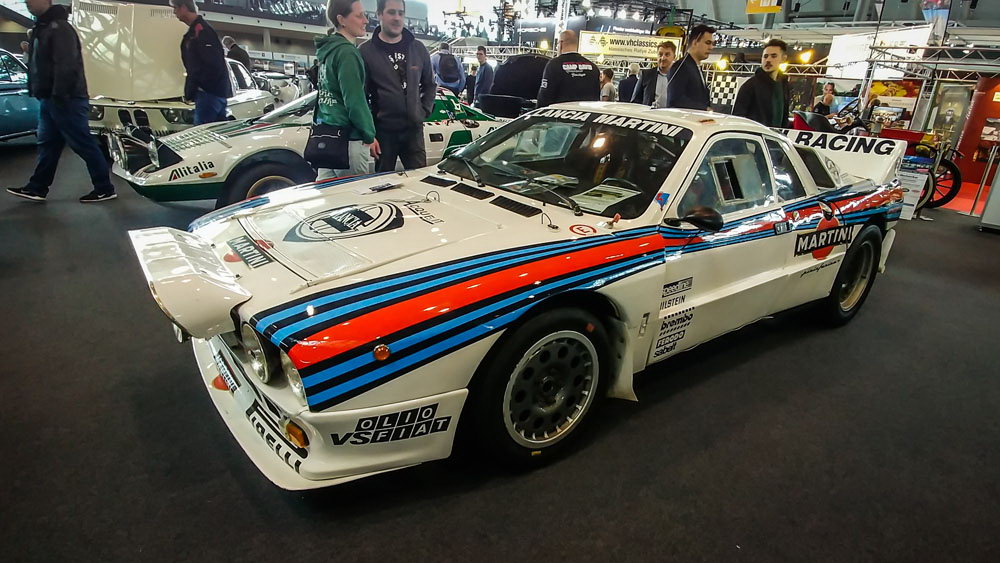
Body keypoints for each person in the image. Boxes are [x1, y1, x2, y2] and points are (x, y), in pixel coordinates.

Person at [5, 0, 116, 203]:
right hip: (51, 98)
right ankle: (37, 187)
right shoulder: (43, 27)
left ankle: (104, 188)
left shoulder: (59, 28)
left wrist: (59, 96)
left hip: (65, 99)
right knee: (48, 145)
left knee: (82, 143)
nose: (27, 3)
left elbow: (66, 65)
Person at [359, 0, 434, 172]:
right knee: (382, 181)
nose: (397, 18)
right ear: (379, 14)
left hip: (413, 131)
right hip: (384, 131)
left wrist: (423, 111)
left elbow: (430, 84)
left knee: (418, 179)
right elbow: (360, 96)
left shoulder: (418, 48)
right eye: (391, 12)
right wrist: (369, 131)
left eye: (401, 13)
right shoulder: (365, 52)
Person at [314, 0, 378, 179]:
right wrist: (369, 135)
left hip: (327, 137)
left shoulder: (327, 51)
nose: (366, 20)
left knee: (328, 193)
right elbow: (355, 101)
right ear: (342, 20)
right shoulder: (347, 53)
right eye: (359, 16)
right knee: (354, 192)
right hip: (349, 141)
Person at [170, 0, 232, 125]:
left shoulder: (201, 31)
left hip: (208, 94)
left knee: (202, 133)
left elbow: (211, 64)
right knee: (215, 132)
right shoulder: (197, 31)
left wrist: (197, 87)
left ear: (184, 8)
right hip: (213, 93)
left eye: (175, 8)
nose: (174, 12)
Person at [732, 38, 790, 127]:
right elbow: (738, 118)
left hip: (776, 134)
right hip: (754, 134)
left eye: (773, 56)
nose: (768, 60)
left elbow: (784, 116)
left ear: (783, 59)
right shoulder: (750, 85)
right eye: (765, 56)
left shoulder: (784, 85)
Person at [536, 30, 599, 108]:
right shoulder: (593, 68)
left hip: (560, 113)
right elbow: (596, 99)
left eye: (557, 44)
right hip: (586, 113)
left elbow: (545, 96)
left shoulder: (554, 64)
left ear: (561, 43)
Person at [667, 24, 714, 111]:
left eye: (712, 44)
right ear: (695, 42)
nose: (711, 47)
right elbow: (675, 100)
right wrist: (705, 109)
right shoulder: (681, 66)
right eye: (707, 43)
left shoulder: (697, 68)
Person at [631, 41, 675, 107]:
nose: (663, 58)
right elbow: (635, 101)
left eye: (667, 54)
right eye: (660, 54)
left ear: (674, 57)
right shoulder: (646, 75)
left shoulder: (679, 77)